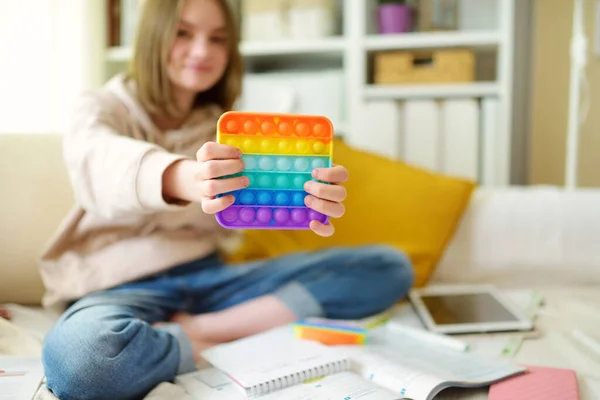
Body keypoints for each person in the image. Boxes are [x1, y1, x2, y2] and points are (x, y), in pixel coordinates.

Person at [39, 0, 415, 399]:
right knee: (85, 363)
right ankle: (210, 334)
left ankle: (203, 331)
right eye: (183, 33)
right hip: (118, 285)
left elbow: (257, 203)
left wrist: (307, 200)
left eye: (217, 39)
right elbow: (99, 162)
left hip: (212, 280)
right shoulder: (101, 108)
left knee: (388, 266)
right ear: (152, 35)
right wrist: (186, 177)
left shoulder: (230, 128)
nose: (202, 51)